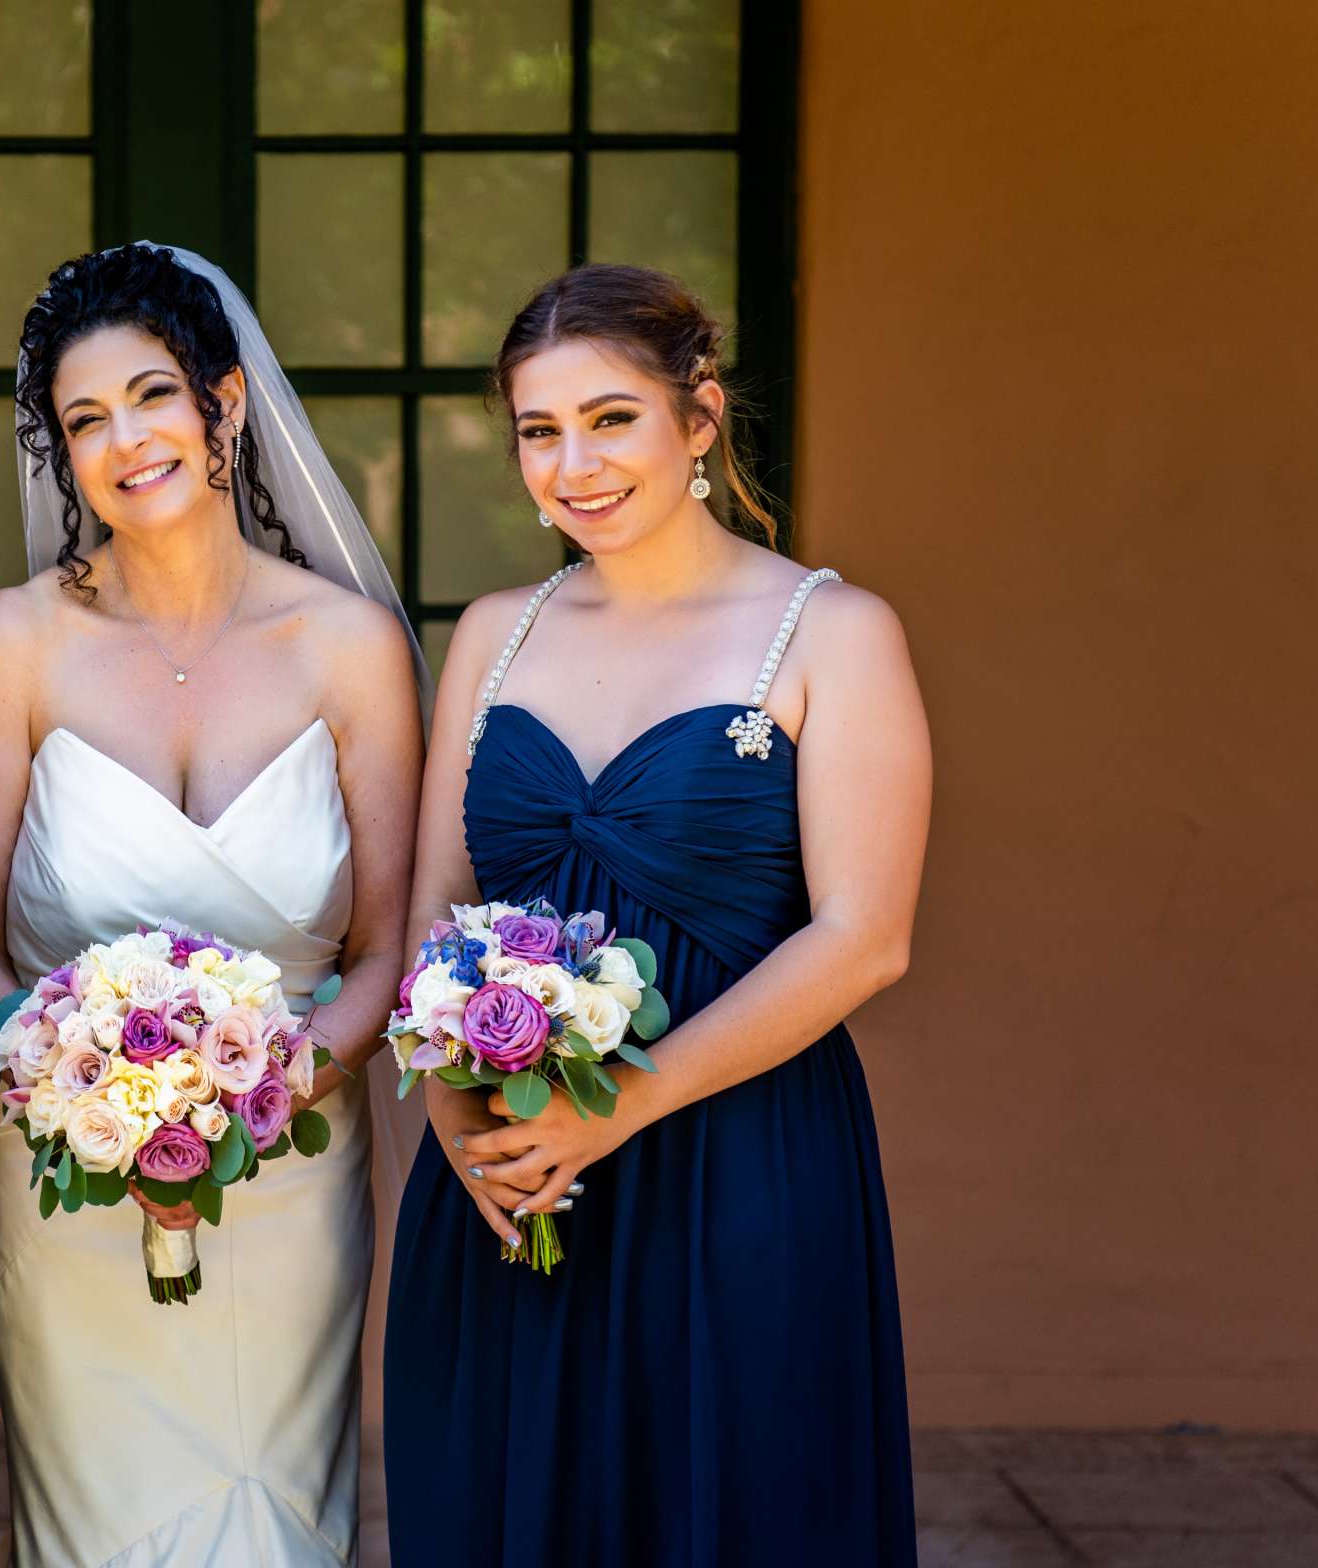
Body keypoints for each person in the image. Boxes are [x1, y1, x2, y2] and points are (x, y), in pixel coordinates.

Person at [384, 264, 929, 1565]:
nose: (572, 463)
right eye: (537, 429)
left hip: (736, 1161)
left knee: (730, 1503)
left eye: (610, 418)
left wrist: (623, 1102)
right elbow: (435, 916)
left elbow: (866, 935)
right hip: (510, 1168)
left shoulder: (831, 631)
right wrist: (468, 1132)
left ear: (699, 418)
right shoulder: (494, 634)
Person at [0, 243, 422, 1565]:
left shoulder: (349, 649)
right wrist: (85, 1101)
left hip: (292, 1173)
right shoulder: (15, 643)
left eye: (152, 397)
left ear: (224, 405)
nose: (125, 440)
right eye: (86, 420)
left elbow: (386, 953)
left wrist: (248, 1100)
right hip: (64, 1178)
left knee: (272, 1516)